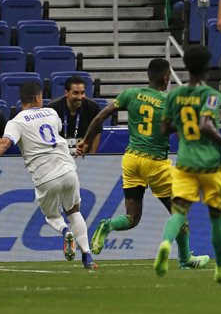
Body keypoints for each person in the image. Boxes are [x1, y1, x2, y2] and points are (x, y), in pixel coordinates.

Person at [77, 59, 201, 264]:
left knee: (132, 218)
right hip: (156, 164)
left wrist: (85, 141)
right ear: (165, 77)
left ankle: (108, 225)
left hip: (131, 159)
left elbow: (100, 117)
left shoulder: (131, 94)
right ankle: (185, 258)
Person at [0, 80, 97, 269]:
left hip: (45, 176)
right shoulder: (52, 113)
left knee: (52, 216)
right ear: (37, 98)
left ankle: (65, 231)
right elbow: (52, 133)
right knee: (74, 211)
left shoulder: (15, 122)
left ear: (21, 100)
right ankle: (88, 256)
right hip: (68, 169)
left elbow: (5, 143)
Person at [154, 45, 221, 283]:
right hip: (211, 165)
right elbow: (205, 125)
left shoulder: (174, 95)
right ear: (207, 68)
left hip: (185, 163)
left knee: (179, 211)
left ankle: (165, 244)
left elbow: (164, 129)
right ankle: (220, 267)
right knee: (217, 215)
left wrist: (183, 125)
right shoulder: (211, 94)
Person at [47, 75, 102, 147]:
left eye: (82, 93)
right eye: (75, 93)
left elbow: (96, 133)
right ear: (66, 93)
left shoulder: (93, 107)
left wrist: (91, 156)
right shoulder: (52, 108)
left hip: (83, 154)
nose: (79, 97)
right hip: (60, 153)